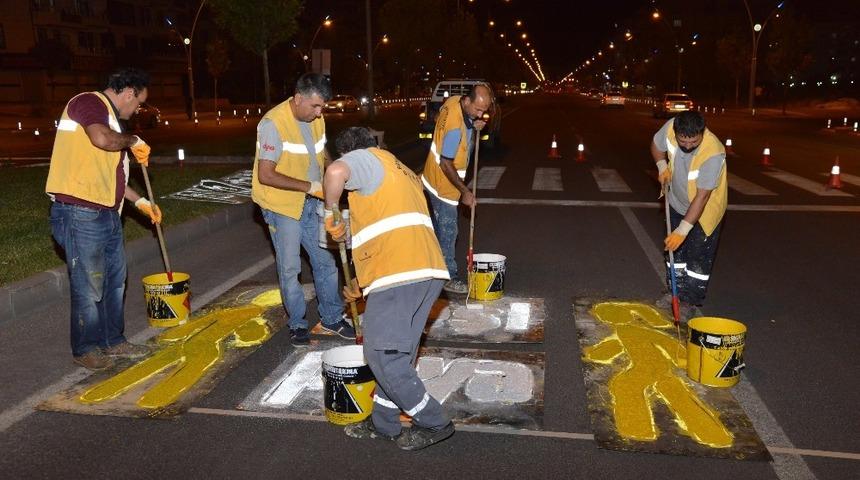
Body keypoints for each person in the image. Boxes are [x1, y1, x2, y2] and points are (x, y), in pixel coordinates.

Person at [323, 127, 454, 451]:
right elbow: (383, 231)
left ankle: (434, 420)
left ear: (351, 151)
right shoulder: (400, 171)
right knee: (398, 356)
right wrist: (360, 283)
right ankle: (384, 423)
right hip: (424, 272)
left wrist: (331, 212)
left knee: (380, 354)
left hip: (402, 274)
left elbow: (335, 172)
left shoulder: (365, 160)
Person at [46, 68, 160, 371]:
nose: (137, 110)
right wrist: (133, 139)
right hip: (79, 213)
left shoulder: (112, 122)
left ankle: (113, 340)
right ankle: (86, 348)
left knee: (114, 282)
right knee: (89, 285)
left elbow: (114, 178)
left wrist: (142, 202)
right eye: (138, 104)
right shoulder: (89, 103)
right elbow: (100, 140)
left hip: (106, 214)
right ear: (128, 93)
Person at [251, 73, 354, 346]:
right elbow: (266, 175)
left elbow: (322, 154)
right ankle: (297, 325)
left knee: (326, 263)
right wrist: (311, 186)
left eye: (322, 107)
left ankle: (332, 319)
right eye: (315, 106)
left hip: (312, 202)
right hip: (281, 205)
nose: (319, 113)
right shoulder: (274, 123)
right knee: (290, 268)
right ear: (298, 99)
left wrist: (334, 176)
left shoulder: (317, 119)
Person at [650, 111, 728, 322]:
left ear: (702, 133)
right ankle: (674, 292)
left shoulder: (713, 152)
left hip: (704, 212)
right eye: (683, 141)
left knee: (697, 259)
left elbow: (702, 198)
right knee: (676, 255)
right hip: (677, 201)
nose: (687, 146)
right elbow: (657, 146)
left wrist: (683, 230)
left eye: (693, 141)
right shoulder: (670, 127)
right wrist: (662, 165)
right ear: (677, 131)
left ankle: (690, 301)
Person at [421, 84, 493, 294]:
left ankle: (431, 266)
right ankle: (448, 276)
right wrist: (464, 191)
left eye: (484, 111)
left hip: (431, 176)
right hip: (444, 186)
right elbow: (446, 163)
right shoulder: (453, 126)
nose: (481, 114)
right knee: (448, 231)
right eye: (478, 110)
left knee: (438, 230)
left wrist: (473, 124)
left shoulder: (454, 102)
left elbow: (463, 121)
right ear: (468, 101)